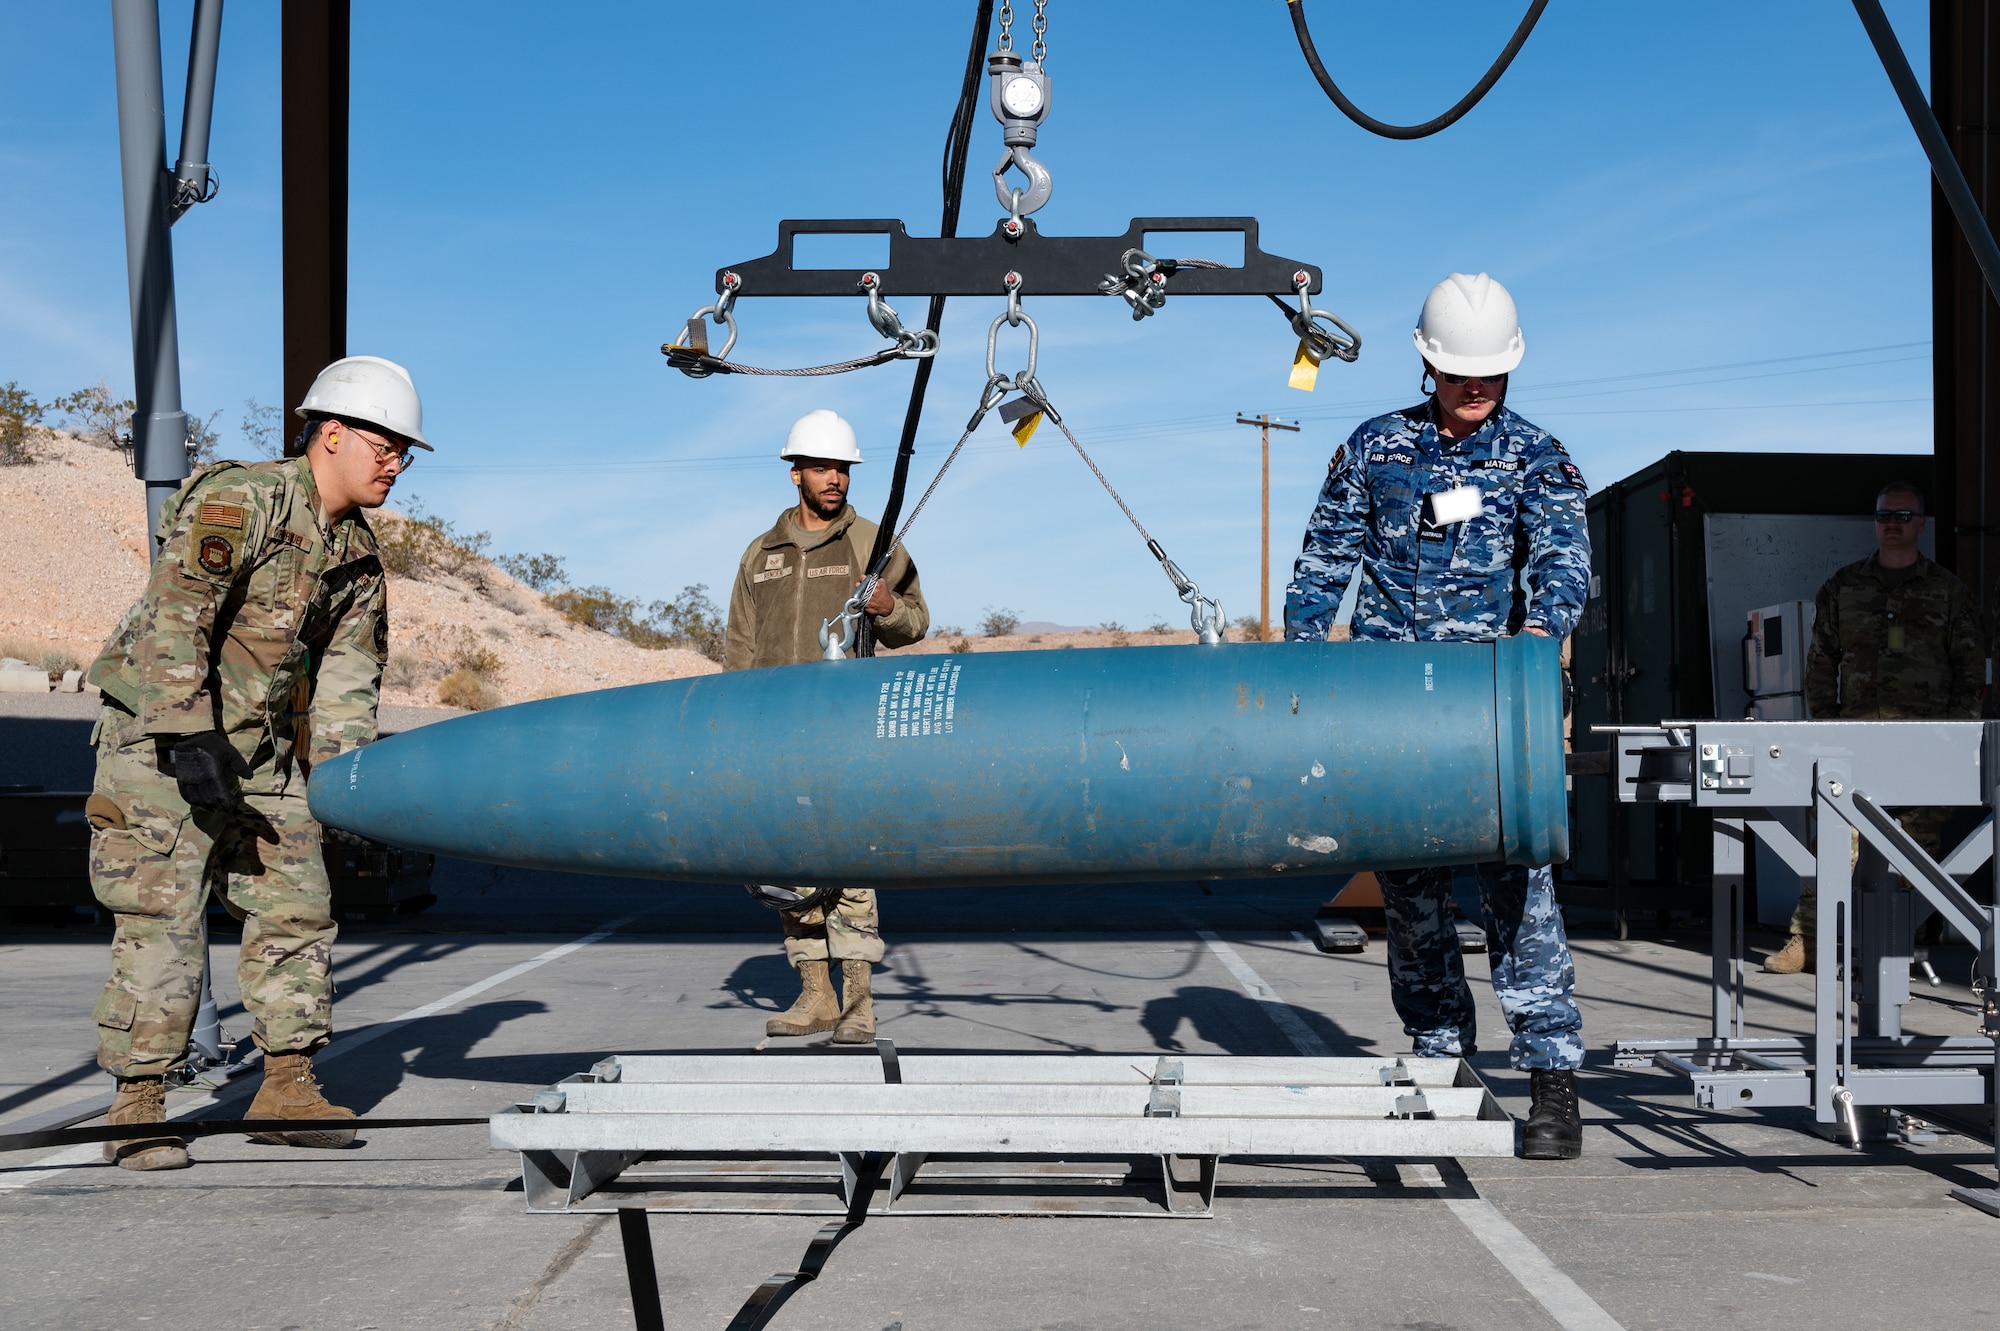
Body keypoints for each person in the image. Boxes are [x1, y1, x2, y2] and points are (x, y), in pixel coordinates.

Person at [84, 355, 426, 1170]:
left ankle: (285, 1084)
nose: (396, 463)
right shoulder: (246, 498)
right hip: (158, 742)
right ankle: (137, 1102)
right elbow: (179, 609)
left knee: (298, 899)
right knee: (163, 915)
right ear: (331, 433)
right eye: (384, 443)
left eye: (405, 451)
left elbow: (347, 684)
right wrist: (183, 729)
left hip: (259, 754)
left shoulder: (356, 558)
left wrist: (347, 787)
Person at [1283, 273, 1592, 1160]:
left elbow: (1566, 562)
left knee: (1519, 894)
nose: (1476, 388)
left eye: (1490, 373)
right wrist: (1305, 655)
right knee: (1413, 897)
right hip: (1388, 711)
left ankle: (1552, 1080)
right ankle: (1438, 1062)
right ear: (1428, 362)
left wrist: (1539, 632)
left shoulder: (1539, 457)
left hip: (1494, 709)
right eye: (1461, 372)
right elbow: (1325, 556)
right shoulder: (1374, 449)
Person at [726, 408, 929, 1043]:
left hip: (849, 734)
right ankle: (814, 995)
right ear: (795, 474)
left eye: (841, 468)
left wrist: (887, 606)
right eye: (820, 467)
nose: (834, 478)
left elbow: (917, 623)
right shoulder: (761, 554)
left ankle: (858, 1003)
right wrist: (738, 723)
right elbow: (739, 646)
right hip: (775, 735)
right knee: (788, 866)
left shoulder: (874, 542)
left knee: (850, 862)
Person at [1765, 482, 1984, 974]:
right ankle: (1808, 940)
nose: (1893, 523)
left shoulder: (1948, 592)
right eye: (1885, 514)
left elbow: (1971, 669)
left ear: (1921, 524)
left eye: (1904, 516)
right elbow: (1821, 662)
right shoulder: (1844, 587)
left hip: (1926, 741)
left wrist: (1958, 736)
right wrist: (1824, 727)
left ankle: (1893, 945)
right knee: (1836, 841)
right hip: (1855, 740)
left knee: (1917, 850)